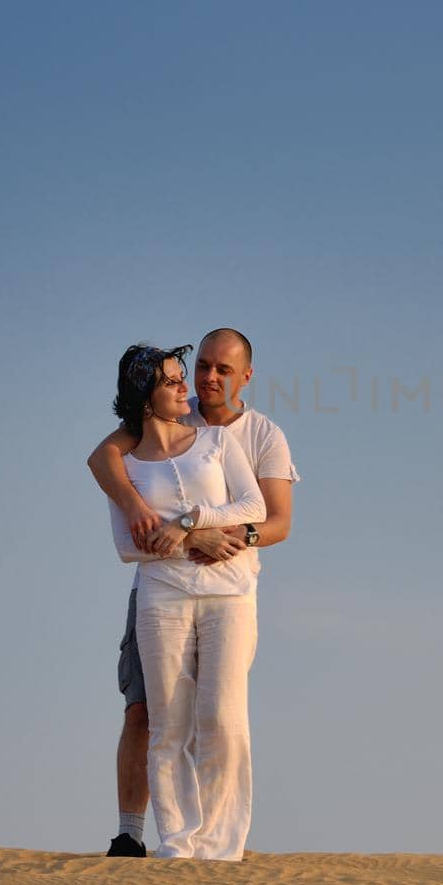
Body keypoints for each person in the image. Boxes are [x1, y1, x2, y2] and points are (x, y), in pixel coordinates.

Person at [90, 329, 299, 858]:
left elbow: (274, 520)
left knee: (221, 716)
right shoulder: (166, 419)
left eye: (221, 370)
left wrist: (196, 527)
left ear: (245, 376)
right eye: (200, 366)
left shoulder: (258, 436)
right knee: (154, 714)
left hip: (230, 589)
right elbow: (103, 461)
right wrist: (139, 510)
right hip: (160, 591)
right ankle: (152, 837)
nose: (204, 379)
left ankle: (220, 842)